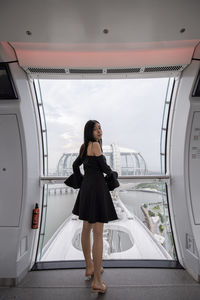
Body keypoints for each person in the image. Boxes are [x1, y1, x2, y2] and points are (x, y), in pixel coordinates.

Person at [71, 120, 119, 294]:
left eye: (100, 128)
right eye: (95, 128)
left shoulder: (84, 147)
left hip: (86, 190)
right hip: (98, 190)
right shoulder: (96, 146)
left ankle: (89, 267)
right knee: (98, 234)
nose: (99, 130)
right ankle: (97, 282)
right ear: (89, 131)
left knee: (86, 229)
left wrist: (82, 180)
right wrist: (114, 175)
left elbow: (75, 166)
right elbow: (105, 169)